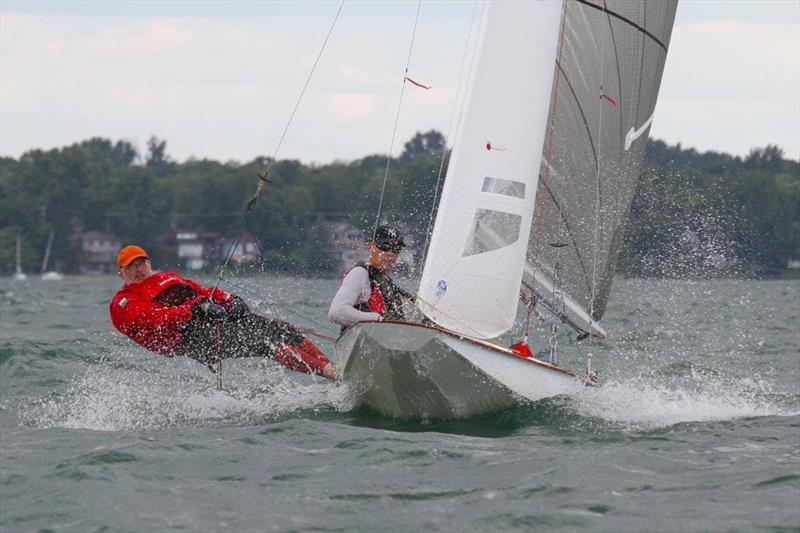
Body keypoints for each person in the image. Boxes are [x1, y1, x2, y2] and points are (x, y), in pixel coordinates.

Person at [109, 245, 338, 380]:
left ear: (149, 263)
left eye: (142, 263)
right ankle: (334, 376)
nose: (138, 270)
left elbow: (206, 291)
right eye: (131, 266)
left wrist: (230, 300)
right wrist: (194, 310)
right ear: (122, 273)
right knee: (267, 343)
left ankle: (332, 368)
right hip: (190, 339)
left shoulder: (167, 277)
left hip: (212, 320)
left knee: (282, 330)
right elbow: (156, 319)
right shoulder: (123, 302)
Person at [328, 225, 412, 330]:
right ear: (370, 247)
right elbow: (336, 312)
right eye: (385, 247)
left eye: (396, 249)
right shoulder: (360, 274)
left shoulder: (388, 283)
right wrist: (377, 319)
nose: (390, 254)